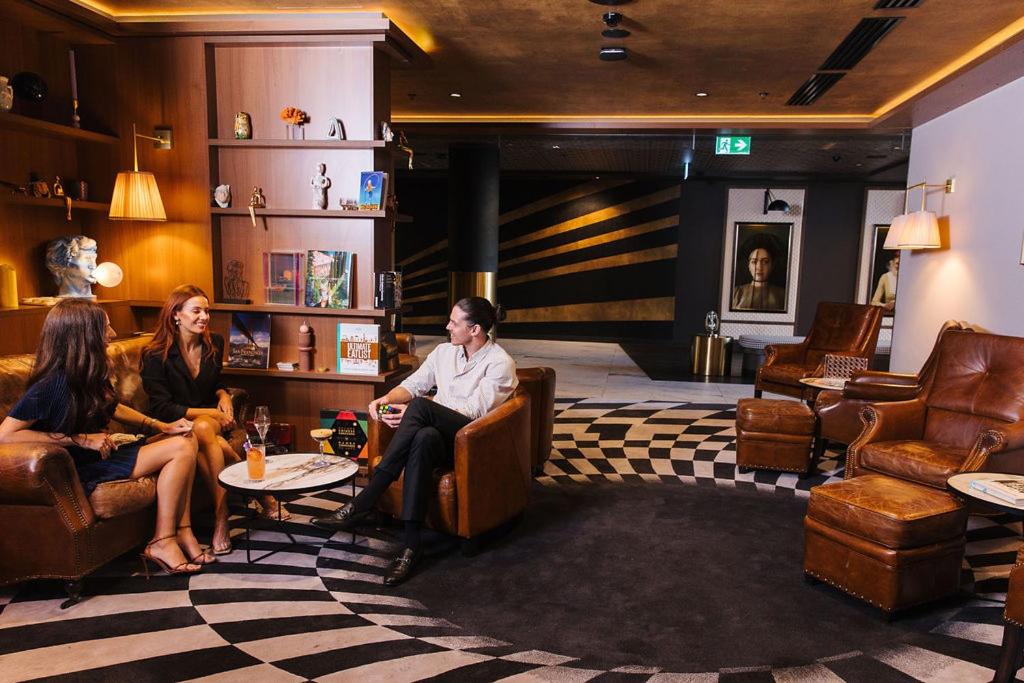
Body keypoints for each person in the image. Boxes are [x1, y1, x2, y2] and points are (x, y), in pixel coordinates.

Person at [312, 297, 518, 586]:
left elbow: (474, 412)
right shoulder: (444, 352)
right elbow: (413, 385)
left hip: (470, 443)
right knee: (423, 436)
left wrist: (417, 411)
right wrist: (386, 399)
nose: (447, 327)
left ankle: (365, 500)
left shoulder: (500, 363)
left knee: (421, 408)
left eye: (454, 323)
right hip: (436, 436)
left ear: (475, 330)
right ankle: (411, 546)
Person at [0, 299, 203, 575]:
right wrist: (79, 439)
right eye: (105, 328)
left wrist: (160, 426)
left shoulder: (89, 372)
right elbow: (6, 435)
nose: (112, 333)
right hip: (79, 469)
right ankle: (162, 541)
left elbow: (112, 406)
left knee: (187, 438)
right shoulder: (52, 384)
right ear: (84, 335)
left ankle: (182, 530)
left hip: (102, 455)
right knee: (180, 448)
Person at [141, 284, 286, 558]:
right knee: (214, 439)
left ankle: (222, 518)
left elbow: (216, 382)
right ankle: (232, 508)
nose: (204, 317)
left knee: (205, 427)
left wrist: (223, 395)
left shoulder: (214, 343)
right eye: (196, 311)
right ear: (176, 314)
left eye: (206, 311)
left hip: (209, 420)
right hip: (176, 426)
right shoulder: (154, 354)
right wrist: (210, 412)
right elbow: (161, 407)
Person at [731, 235, 786, 311]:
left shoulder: (783, 295)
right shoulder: (735, 293)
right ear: (748, 265)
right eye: (754, 262)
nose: (759, 267)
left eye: (765, 262)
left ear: (772, 265)